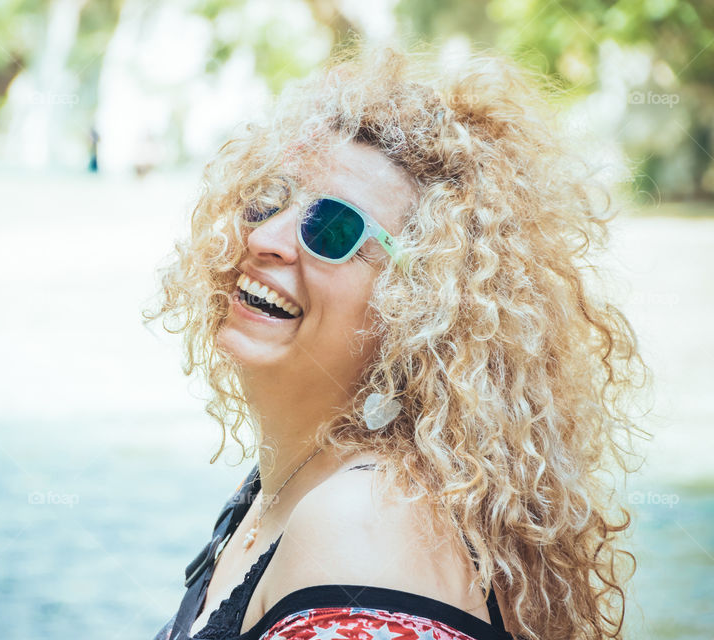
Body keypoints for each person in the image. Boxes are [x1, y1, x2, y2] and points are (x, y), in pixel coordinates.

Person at [144, 41, 647, 640]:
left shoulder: (363, 525)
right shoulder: (284, 489)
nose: (267, 238)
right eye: (268, 198)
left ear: (424, 303)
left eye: (331, 226)